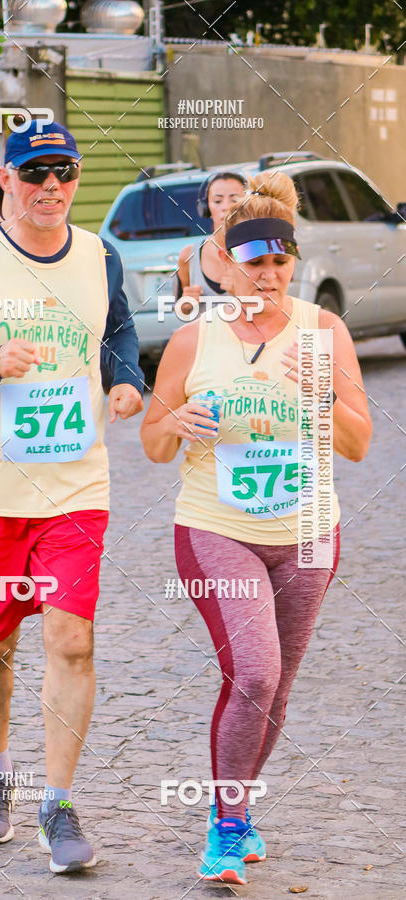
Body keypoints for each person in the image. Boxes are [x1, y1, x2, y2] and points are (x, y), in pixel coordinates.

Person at [0, 121, 144, 874]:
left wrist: (125, 381)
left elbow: (116, 332)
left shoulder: (99, 255)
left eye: (65, 172)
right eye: (35, 172)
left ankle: (57, 801)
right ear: (7, 178)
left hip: (77, 486)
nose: (52, 186)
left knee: (73, 640)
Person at [140, 171, 371, 884]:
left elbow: (359, 443)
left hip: (307, 533)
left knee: (280, 682)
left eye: (279, 261)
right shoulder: (191, 340)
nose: (267, 275)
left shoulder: (324, 332)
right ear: (228, 262)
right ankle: (227, 826)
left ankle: (236, 812)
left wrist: (322, 396)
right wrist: (173, 422)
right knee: (255, 671)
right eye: (254, 261)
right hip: (217, 528)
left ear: (292, 262)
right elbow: (152, 441)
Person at [175, 171, 247, 314]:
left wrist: (241, 294)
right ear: (206, 208)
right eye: (217, 201)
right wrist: (186, 304)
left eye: (234, 200)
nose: (225, 207)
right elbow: (181, 311)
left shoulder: (257, 252)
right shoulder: (189, 255)